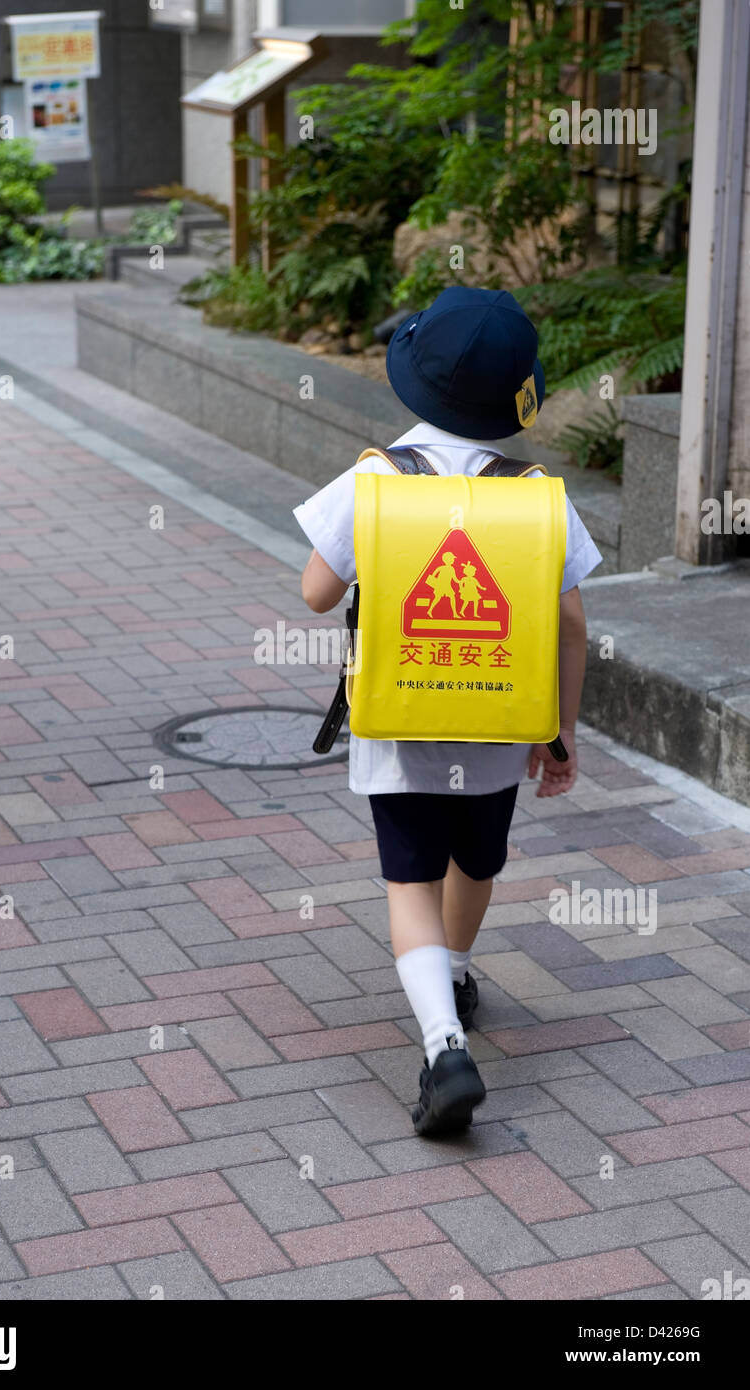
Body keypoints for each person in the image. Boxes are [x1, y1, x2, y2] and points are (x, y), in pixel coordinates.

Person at [293, 287, 602, 1137]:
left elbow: (317, 593)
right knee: (475, 858)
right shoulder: (536, 496)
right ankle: (459, 970)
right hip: (501, 725)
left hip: (400, 720)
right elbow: (571, 626)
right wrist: (560, 731)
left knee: (409, 878)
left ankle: (442, 1044)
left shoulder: (376, 480)